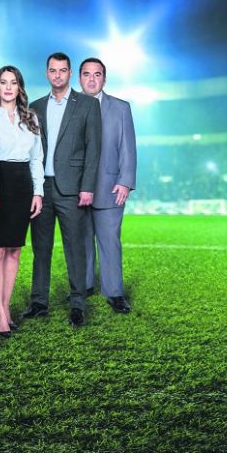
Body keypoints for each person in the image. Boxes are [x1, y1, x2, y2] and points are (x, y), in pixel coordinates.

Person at [22, 52, 101, 327]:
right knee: (40, 248)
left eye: (63, 70)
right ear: (47, 73)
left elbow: (93, 149)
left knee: (75, 249)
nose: (58, 75)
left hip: (72, 189)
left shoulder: (88, 105)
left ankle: (78, 303)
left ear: (69, 73)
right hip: (41, 189)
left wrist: (87, 187)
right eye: (53, 70)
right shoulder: (35, 107)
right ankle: (39, 302)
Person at [0, 66, 44, 337]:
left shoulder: (31, 118)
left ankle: (5, 307)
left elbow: (37, 158)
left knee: (15, 250)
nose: (8, 87)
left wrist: (38, 192)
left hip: (22, 185)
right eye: (3, 82)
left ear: (20, 87)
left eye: (13, 82)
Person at [79, 57, 136, 314]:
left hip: (110, 187)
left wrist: (125, 181)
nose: (92, 79)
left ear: (104, 78)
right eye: (87, 74)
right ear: (79, 78)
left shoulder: (120, 108)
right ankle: (84, 285)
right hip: (76, 188)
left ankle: (114, 293)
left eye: (97, 74)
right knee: (81, 242)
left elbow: (128, 147)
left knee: (110, 241)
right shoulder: (69, 106)